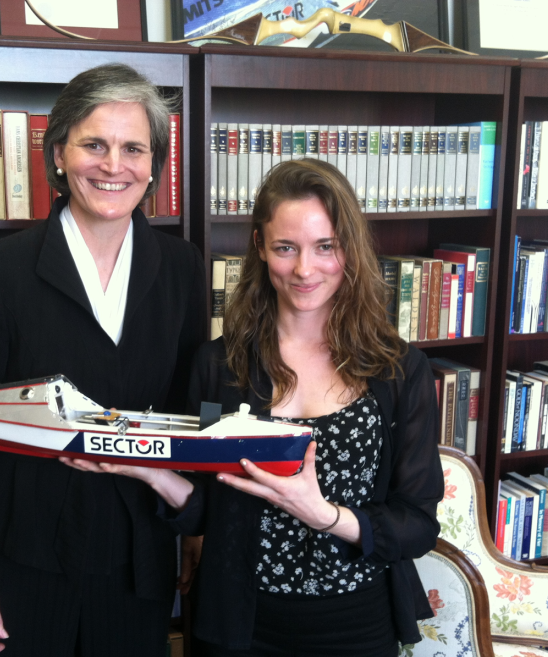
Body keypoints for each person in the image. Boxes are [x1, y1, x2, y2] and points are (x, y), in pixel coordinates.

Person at [0, 63, 207, 657]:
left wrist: (196, 529)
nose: (114, 165)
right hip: (21, 557)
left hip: (139, 556)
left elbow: (190, 417)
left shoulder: (182, 268)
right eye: (94, 145)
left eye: (134, 148)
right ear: (59, 154)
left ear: (155, 164)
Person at [179, 158, 444, 656]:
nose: (305, 269)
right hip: (240, 626)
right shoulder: (216, 366)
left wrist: (323, 515)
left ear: (350, 250)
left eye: (326, 247)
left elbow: (418, 525)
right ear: (259, 246)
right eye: (285, 248)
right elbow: (201, 511)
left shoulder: (399, 369)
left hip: (359, 626)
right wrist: (151, 473)